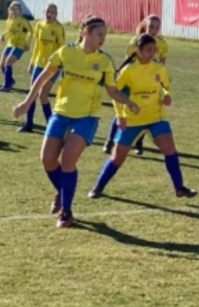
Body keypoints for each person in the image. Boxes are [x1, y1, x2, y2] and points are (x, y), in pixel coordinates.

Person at [12, 16, 139, 229]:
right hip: (62, 111)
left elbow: (113, 91)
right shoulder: (66, 52)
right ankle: (61, 192)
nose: (103, 39)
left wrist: (129, 103)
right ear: (86, 33)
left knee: (68, 160)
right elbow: (43, 77)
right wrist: (27, 102)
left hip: (87, 116)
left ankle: (66, 211)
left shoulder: (105, 61)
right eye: (99, 34)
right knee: (47, 160)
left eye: (105, 35)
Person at [89, 33, 197, 200]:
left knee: (170, 150)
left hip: (156, 116)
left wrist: (167, 95)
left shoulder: (160, 69)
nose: (152, 53)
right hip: (133, 119)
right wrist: (120, 116)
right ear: (138, 50)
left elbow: (166, 86)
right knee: (117, 158)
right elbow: (114, 93)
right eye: (148, 50)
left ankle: (179, 187)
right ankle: (98, 186)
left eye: (154, 50)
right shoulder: (128, 71)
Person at [103, 15, 168, 156]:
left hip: (150, 83)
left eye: (157, 27)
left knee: (144, 110)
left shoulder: (162, 44)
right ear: (146, 26)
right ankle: (110, 141)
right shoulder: (136, 41)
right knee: (123, 109)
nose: (154, 30)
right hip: (133, 81)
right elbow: (129, 61)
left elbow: (162, 66)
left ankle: (139, 144)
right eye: (151, 26)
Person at [19, 4, 66, 133]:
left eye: (52, 12)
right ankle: (29, 124)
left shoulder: (58, 28)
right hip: (39, 64)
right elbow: (37, 46)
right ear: (43, 12)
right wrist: (32, 62)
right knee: (32, 94)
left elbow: (62, 50)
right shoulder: (39, 25)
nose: (49, 14)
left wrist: (61, 65)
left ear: (56, 14)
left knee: (43, 95)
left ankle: (51, 126)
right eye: (47, 11)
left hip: (52, 66)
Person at [0, 2, 32, 92]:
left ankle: (7, 85)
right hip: (11, 43)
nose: (15, 11)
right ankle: (10, 81)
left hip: (20, 45)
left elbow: (30, 32)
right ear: (10, 10)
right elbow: (9, 32)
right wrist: (3, 35)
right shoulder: (10, 20)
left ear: (20, 11)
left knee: (8, 62)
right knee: (2, 65)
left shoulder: (23, 21)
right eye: (13, 9)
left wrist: (27, 43)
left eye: (17, 9)